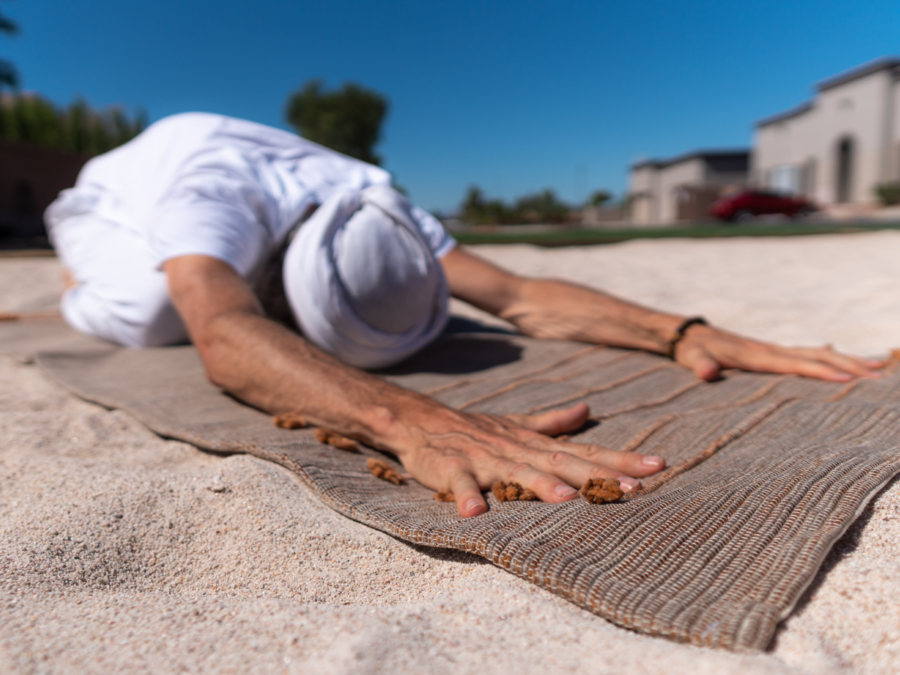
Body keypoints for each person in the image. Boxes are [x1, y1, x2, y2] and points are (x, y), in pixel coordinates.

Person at [45, 112, 882, 518]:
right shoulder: (208, 201)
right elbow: (224, 336)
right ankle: (73, 290)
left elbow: (517, 294)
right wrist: (408, 419)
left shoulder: (373, 205)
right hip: (104, 208)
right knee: (160, 307)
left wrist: (682, 331)